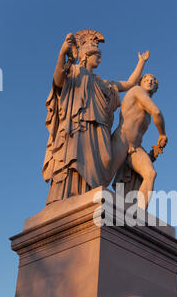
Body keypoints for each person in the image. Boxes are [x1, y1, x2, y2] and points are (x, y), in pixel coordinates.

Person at [42, 29, 149, 204]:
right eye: (96, 54)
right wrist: (62, 54)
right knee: (74, 160)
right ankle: (70, 197)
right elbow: (58, 80)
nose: (100, 58)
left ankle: (89, 195)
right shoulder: (74, 72)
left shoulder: (104, 83)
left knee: (100, 166)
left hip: (99, 131)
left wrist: (141, 63)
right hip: (78, 127)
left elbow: (129, 83)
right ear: (86, 55)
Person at [111, 73, 167, 209]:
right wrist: (162, 134)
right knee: (104, 177)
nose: (150, 82)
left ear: (156, 88)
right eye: (146, 79)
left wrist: (151, 155)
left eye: (153, 81)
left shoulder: (145, 107)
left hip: (135, 147)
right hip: (121, 139)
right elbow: (157, 112)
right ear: (140, 83)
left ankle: (139, 213)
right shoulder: (137, 91)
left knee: (150, 173)